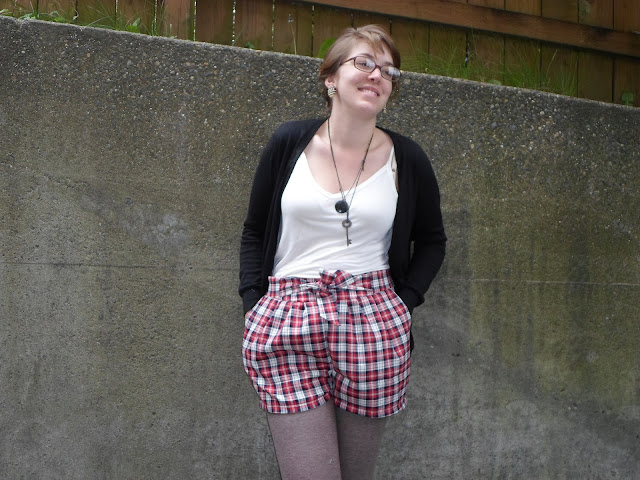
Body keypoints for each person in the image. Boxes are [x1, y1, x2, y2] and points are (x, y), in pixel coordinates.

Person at [239, 24, 446, 480]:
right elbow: (254, 231)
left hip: (373, 321)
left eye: (388, 71)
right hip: (287, 318)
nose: (377, 75)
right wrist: (254, 303)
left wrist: (403, 303)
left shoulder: (407, 158)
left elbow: (433, 240)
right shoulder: (289, 143)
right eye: (364, 62)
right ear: (330, 77)